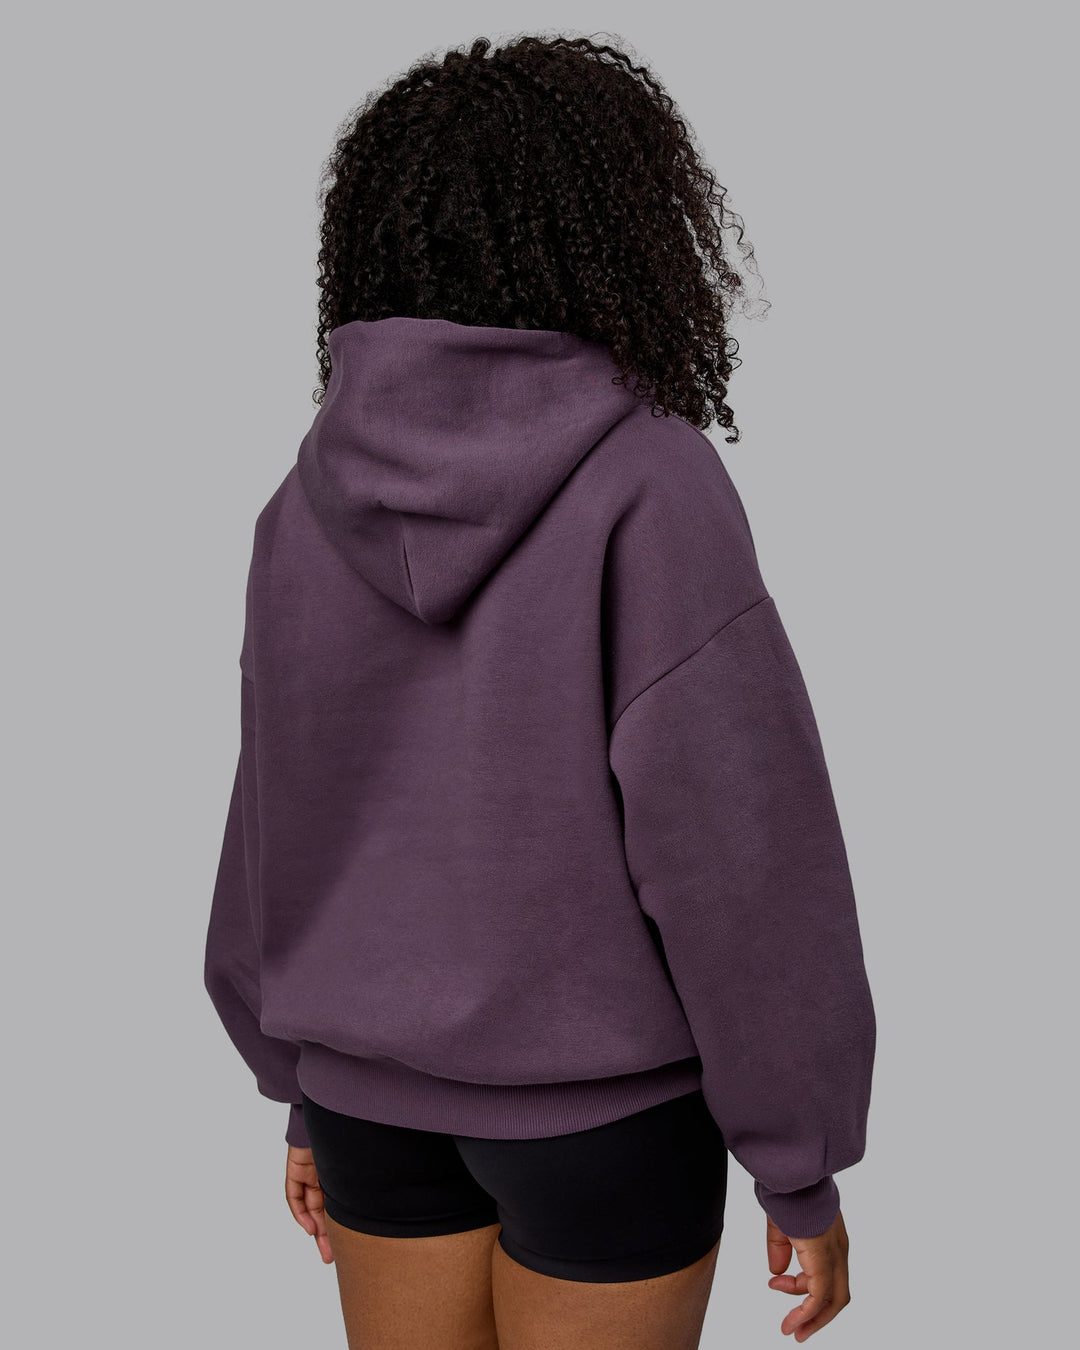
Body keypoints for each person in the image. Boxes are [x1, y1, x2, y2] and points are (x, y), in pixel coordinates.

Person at [203, 32, 876, 1350]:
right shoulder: (652, 483)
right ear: (619, 231)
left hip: (367, 1109)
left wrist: (302, 1082)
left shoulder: (308, 497)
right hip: (602, 1124)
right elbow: (742, 853)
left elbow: (276, 813)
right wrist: (798, 1158)